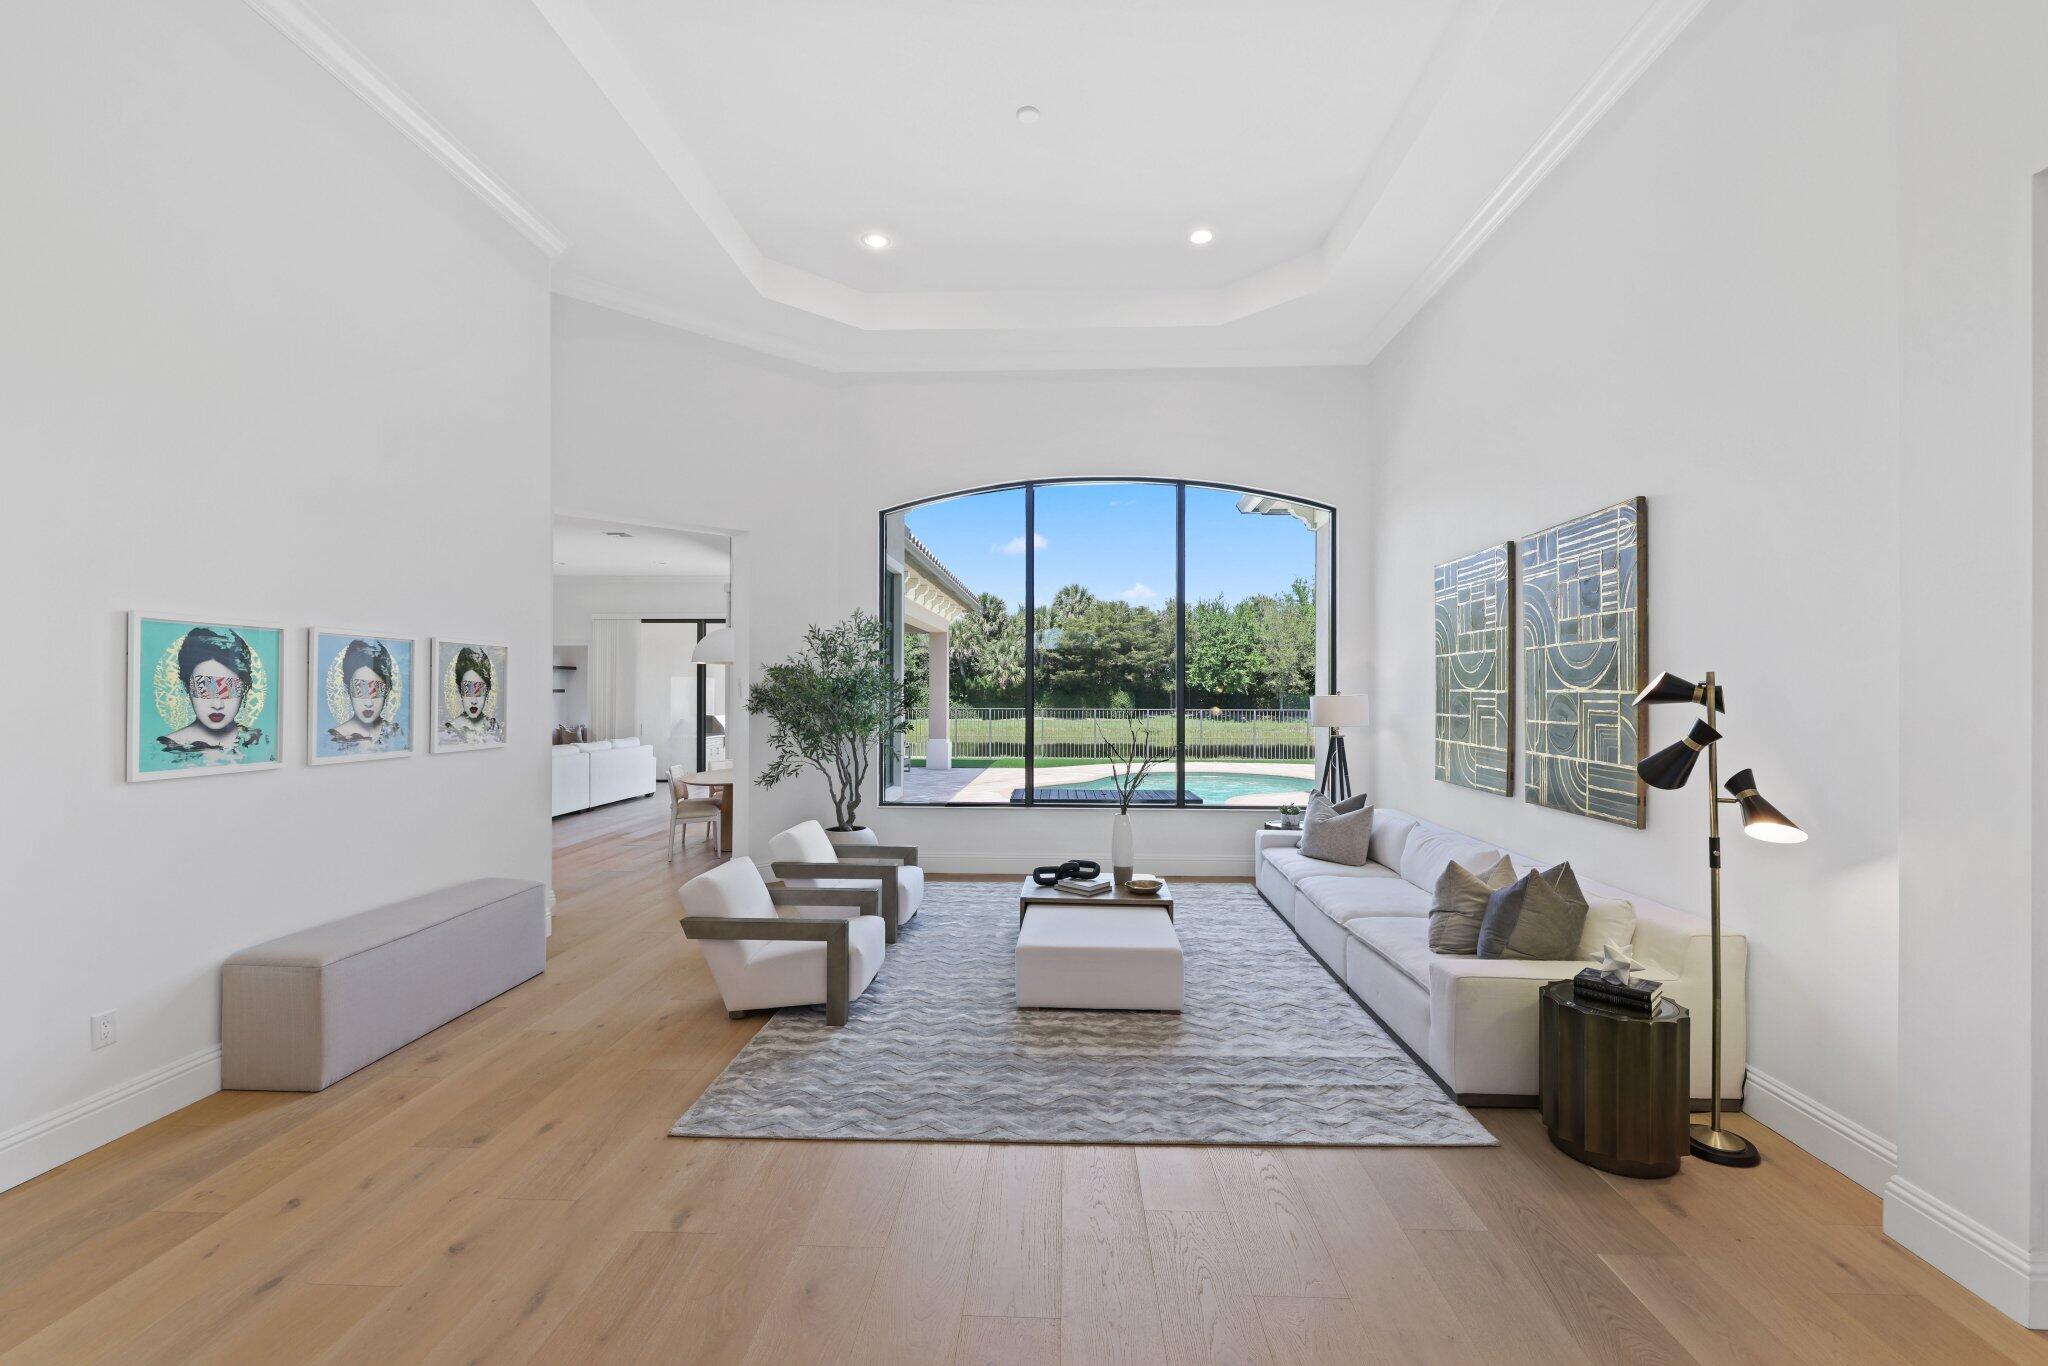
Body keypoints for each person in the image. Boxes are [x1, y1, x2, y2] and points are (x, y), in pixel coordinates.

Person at [158, 627, 264, 759]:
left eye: (228, 689)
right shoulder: (166, 749)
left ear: (245, 689)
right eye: (203, 688)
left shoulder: (259, 742)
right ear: (187, 687)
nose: (217, 705)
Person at [327, 638, 402, 751]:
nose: (368, 703)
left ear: (387, 690)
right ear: (347, 690)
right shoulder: (334, 740)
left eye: (376, 691)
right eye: (359, 690)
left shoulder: (396, 733)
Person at [440, 644, 504, 744]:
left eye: (479, 690)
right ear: (460, 691)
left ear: (487, 692)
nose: (474, 701)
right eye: (468, 689)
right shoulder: (450, 731)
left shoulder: (495, 727)